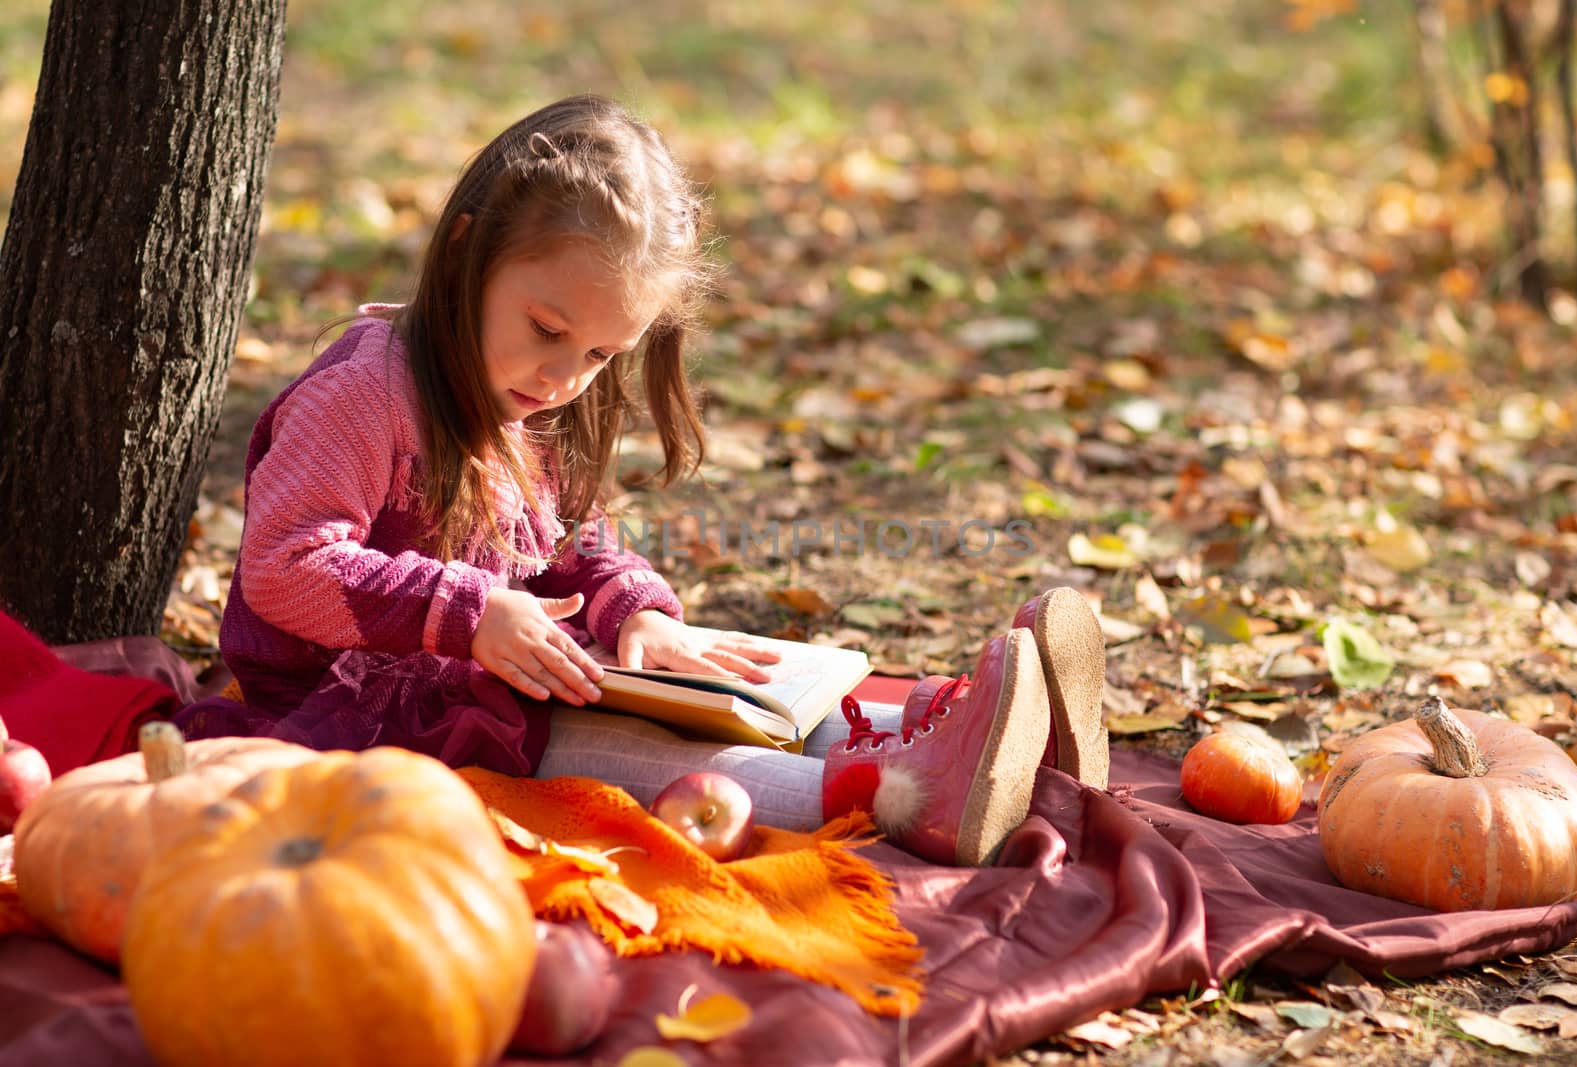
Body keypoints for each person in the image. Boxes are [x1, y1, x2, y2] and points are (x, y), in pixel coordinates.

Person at [176, 94, 1107, 867]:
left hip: (490, 664)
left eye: (599, 353)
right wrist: (468, 613)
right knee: (598, 748)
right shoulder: (363, 393)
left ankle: (969, 734)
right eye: (547, 329)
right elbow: (283, 566)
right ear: (465, 251)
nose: (565, 377)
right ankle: (907, 792)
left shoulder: (519, 391)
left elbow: (568, 541)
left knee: (719, 681)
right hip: (363, 708)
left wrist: (639, 615)